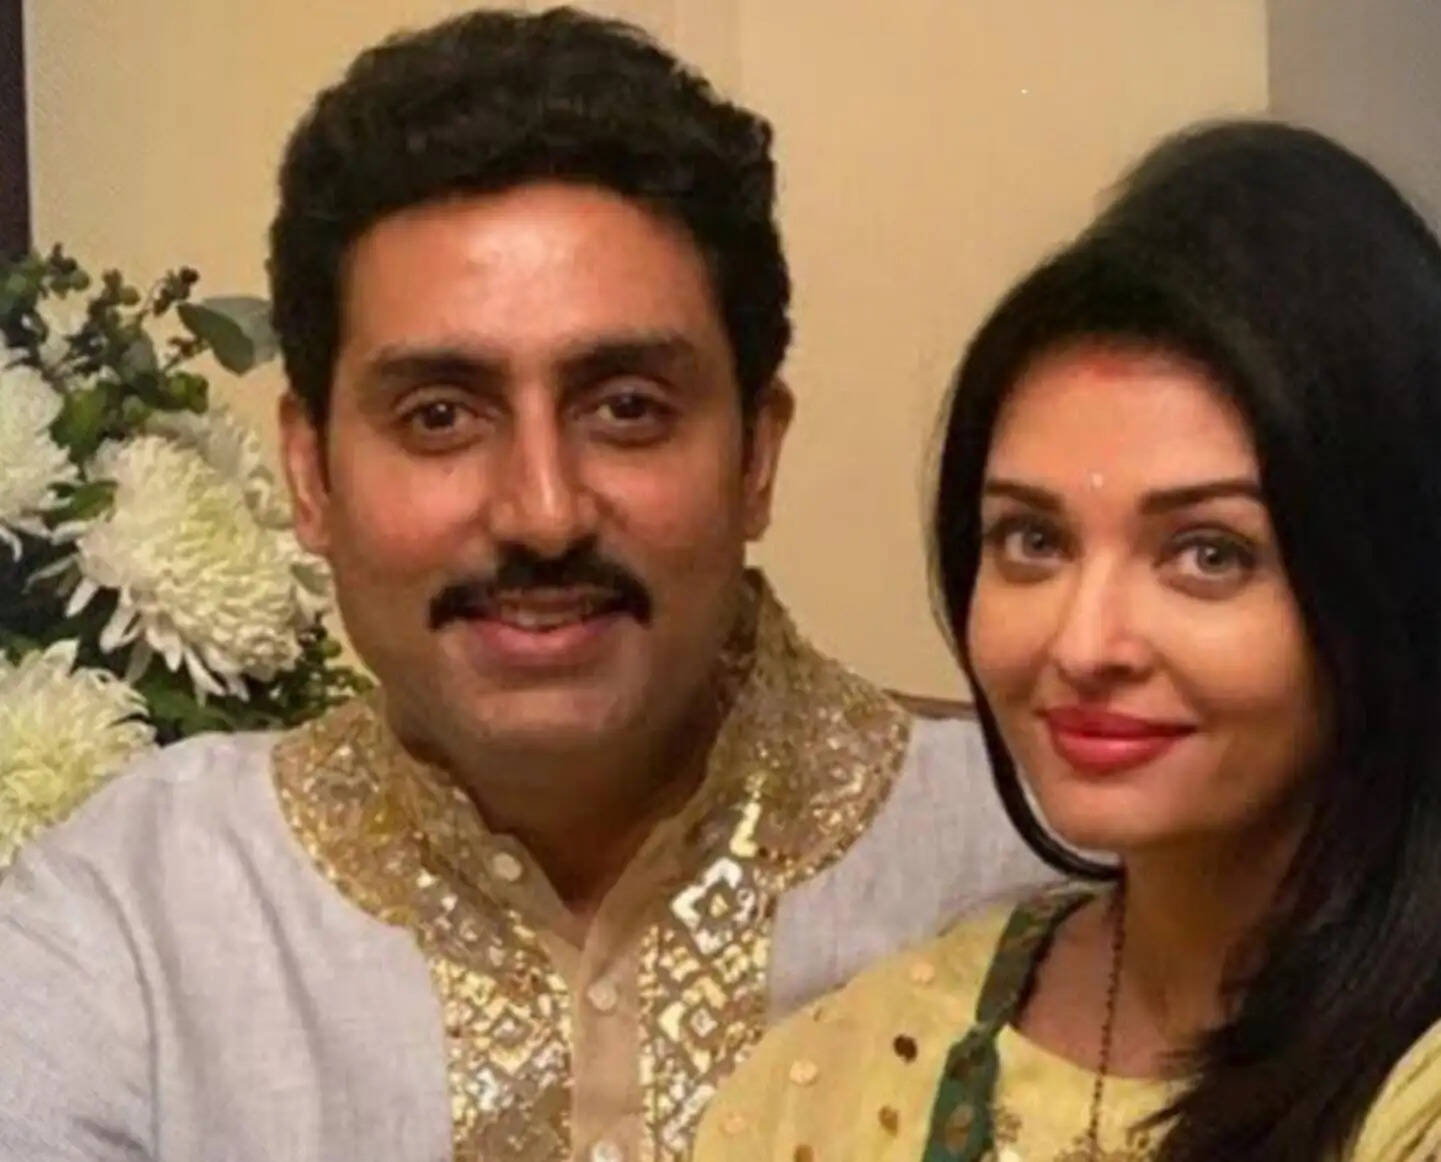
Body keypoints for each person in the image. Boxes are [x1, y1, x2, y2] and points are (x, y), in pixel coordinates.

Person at [0, 8, 1047, 1162]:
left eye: (628, 408)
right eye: (439, 416)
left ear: (755, 455)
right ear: (310, 473)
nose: (543, 511)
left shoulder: (1031, 859)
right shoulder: (138, 918)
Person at [693, 120, 1441, 1162]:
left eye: (1208, 553)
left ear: (1387, 581)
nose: (1084, 645)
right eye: (1033, 541)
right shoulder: (855, 1069)